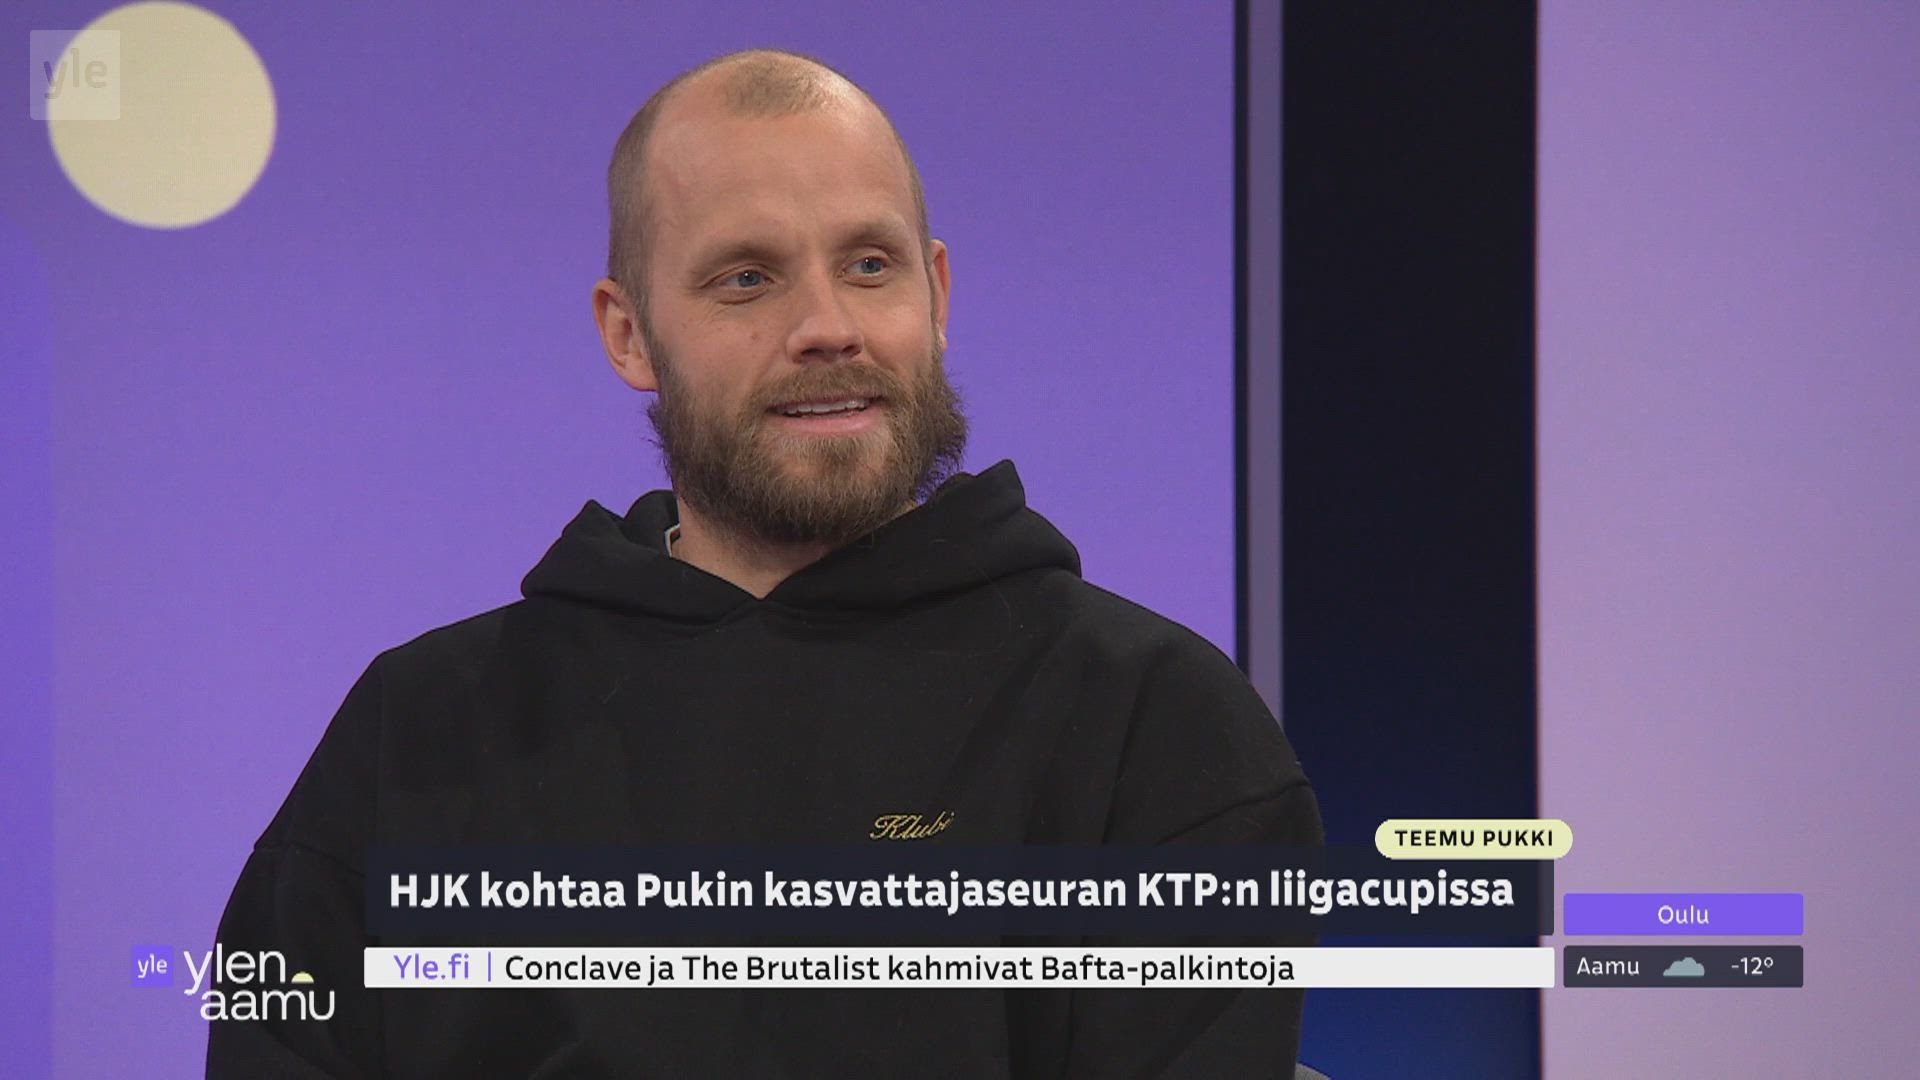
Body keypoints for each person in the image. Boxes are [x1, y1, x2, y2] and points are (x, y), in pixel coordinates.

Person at [207, 47, 1321, 1078]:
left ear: (937, 294)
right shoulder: (423, 729)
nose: (827, 325)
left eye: (870, 265)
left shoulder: (1153, 721)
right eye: (747, 278)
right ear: (628, 333)